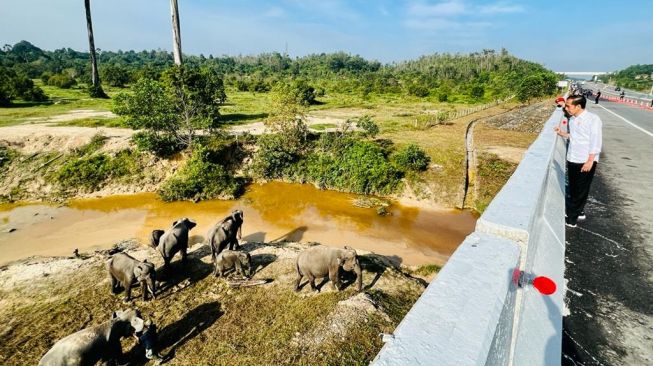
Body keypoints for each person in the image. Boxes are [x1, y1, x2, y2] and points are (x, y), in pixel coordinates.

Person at [553, 95, 602, 227]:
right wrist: (562, 133)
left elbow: (596, 141)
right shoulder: (573, 119)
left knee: (581, 189)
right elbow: (575, 137)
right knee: (574, 188)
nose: (566, 108)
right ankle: (578, 212)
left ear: (578, 106)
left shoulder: (593, 119)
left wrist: (590, 160)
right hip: (572, 158)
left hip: (585, 160)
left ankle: (572, 219)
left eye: (568, 105)